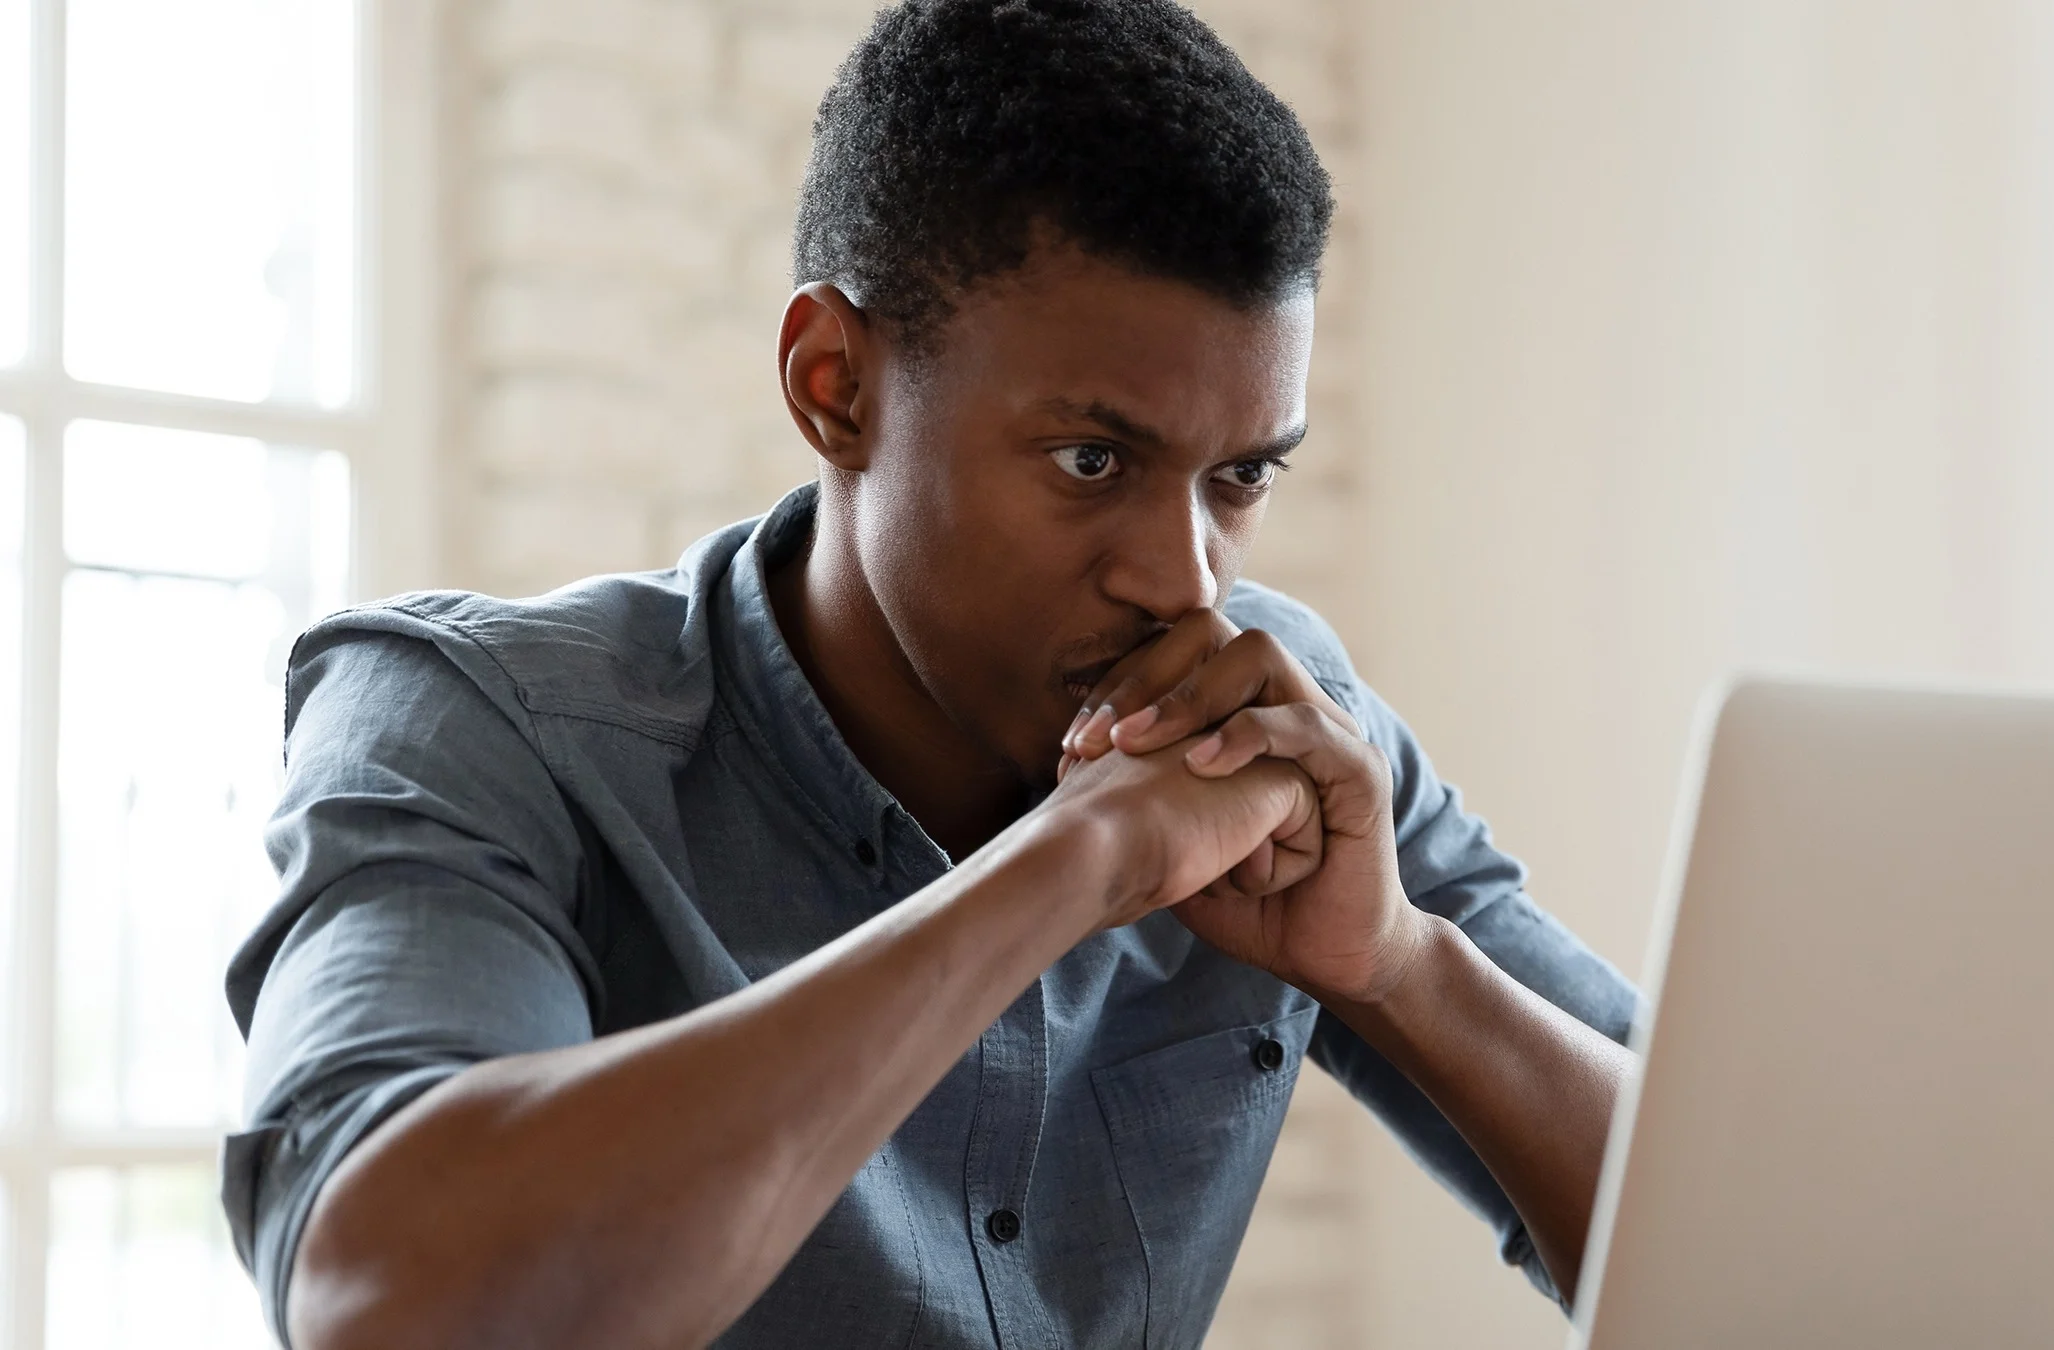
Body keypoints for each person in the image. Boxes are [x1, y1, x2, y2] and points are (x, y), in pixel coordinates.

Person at [221, 1, 1643, 1346]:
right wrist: (1064, 871)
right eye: (1094, 460)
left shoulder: (1275, 730)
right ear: (834, 383)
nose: (1186, 577)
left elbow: (1757, 1241)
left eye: (1240, 477)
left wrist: (1399, 964)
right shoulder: (471, 724)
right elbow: (383, 1292)